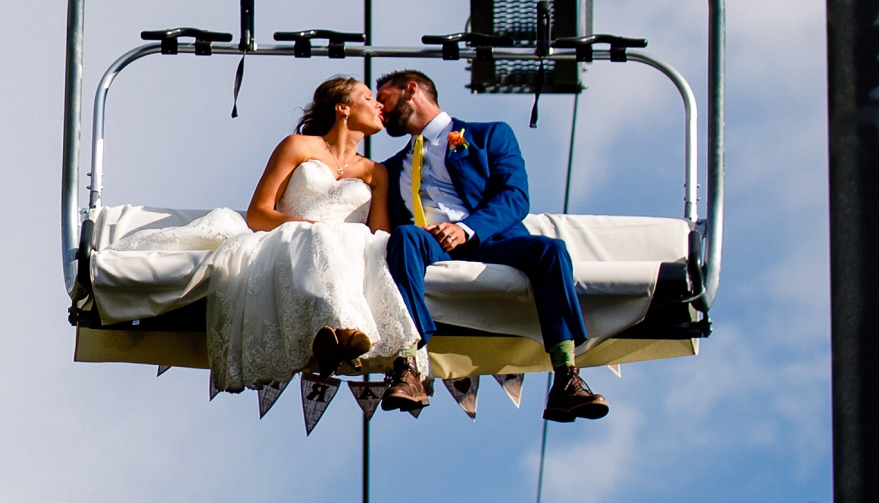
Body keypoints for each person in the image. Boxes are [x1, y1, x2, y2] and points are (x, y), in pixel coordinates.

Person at [370, 68, 609, 423]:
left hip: (490, 241)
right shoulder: (388, 169)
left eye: (384, 99)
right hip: (427, 245)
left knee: (551, 251)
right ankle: (408, 365)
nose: (380, 110)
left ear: (411, 89)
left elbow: (515, 197)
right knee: (404, 238)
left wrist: (467, 229)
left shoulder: (488, 135)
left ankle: (567, 379)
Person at [200, 74, 425, 394]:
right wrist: (309, 227)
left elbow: (379, 233)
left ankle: (342, 339)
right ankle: (342, 334)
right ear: (342, 108)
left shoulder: (377, 172)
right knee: (320, 238)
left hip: (350, 247)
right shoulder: (298, 146)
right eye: (367, 98)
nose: (378, 104)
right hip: (293, 240)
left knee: (356, 241)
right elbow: (258, 213)